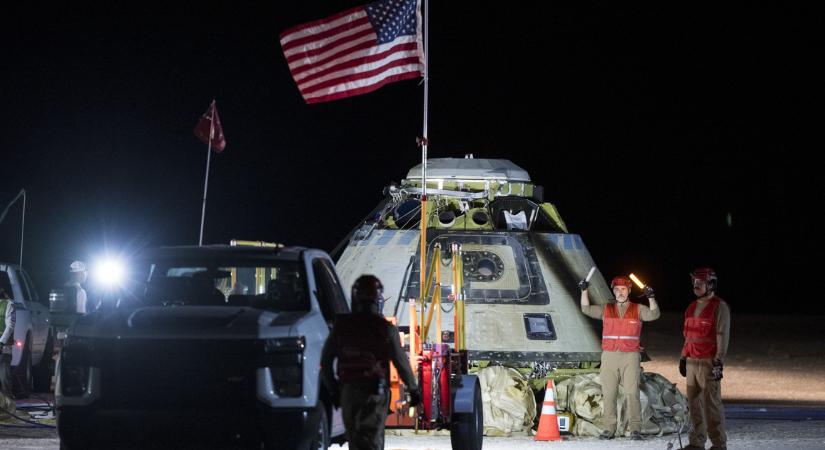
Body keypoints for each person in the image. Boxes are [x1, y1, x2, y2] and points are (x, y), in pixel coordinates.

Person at [321, 275, 421, 450]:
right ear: (378, 299)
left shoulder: (342, 326)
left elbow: (326, 362)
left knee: (354, 440)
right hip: (374, 395)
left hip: (348, 393)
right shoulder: (385, 328)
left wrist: (334, 391)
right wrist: (413, 390)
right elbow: (400, 362)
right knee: (372, 441)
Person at [579, 275, 660, 440]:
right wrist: (584, 291)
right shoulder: (606, 308)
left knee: (631, 393)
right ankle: (609, 429)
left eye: (623, 289)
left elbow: (654, 314)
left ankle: (635, 429)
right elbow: (586, 309)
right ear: (613, 291)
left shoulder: (638, 309)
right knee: (608, 393)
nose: (620, 292)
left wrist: (651, 297)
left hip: (630, 356)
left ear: (629, 291)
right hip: (609, 356)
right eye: (616, 289)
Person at [680, 267, 730, 450]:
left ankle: (719, 444)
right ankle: (696, 442)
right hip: (692, 361)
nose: (696, 285)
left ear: (711, 284)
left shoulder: (719, 306)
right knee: (694, 404)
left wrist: (718, 361)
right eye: (694, 282)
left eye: (700, 282)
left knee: (711, 404)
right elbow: (688, 336)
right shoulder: (691, 307)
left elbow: (722, 335)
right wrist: (683, 357)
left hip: (709, 361)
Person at [0, 288, 15, 396]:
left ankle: (8, 404)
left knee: (4, 377)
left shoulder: (9, 305)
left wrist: (1, 342)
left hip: (4, 348)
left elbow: (10, 326)